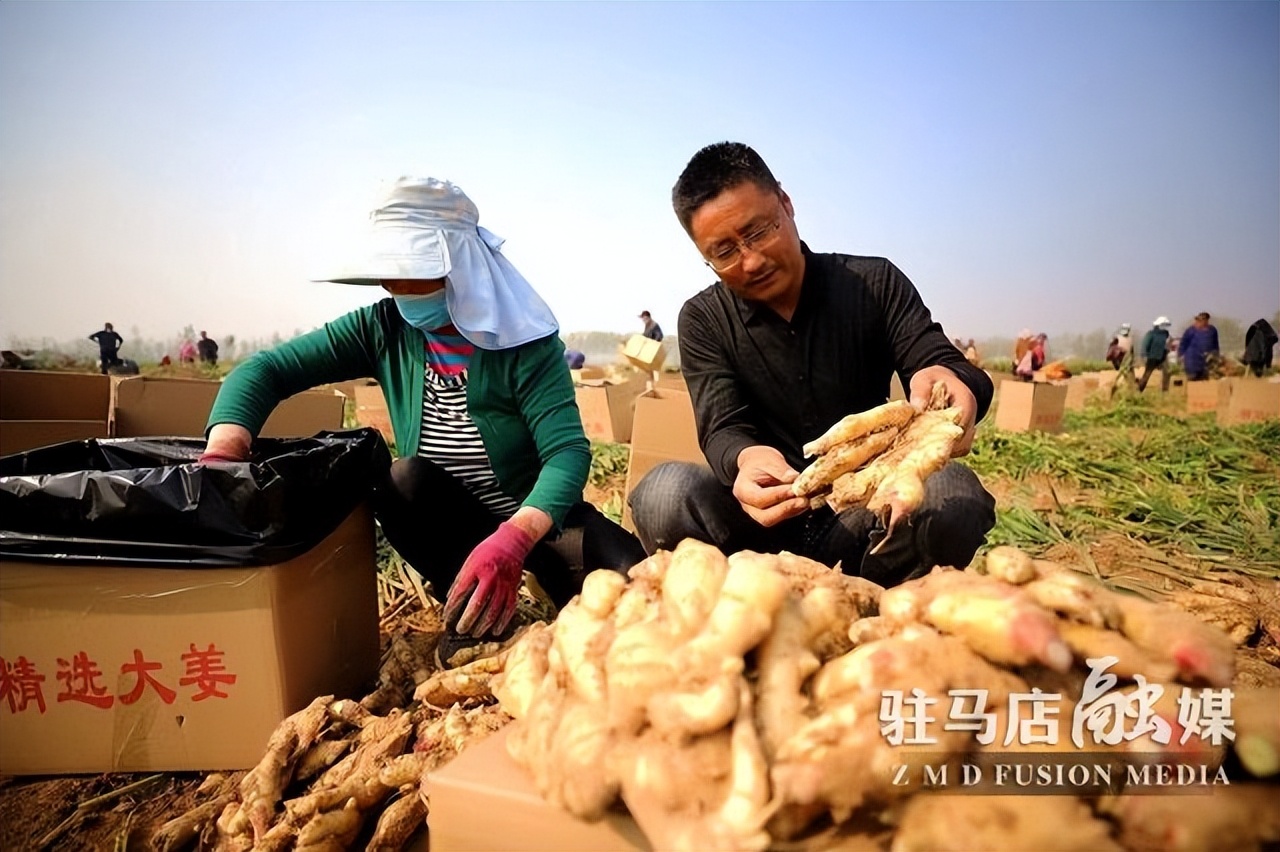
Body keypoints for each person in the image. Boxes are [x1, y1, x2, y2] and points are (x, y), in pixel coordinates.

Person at [200, 177, 647, 649]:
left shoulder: (524, 341)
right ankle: (474, 607)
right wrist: (224, 450)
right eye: (387, 271)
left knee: (634, 590)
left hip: (539, 520)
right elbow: (266, 370)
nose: (392, 284)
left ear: (457, 266)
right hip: (458, 526)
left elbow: (567, 454)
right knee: (402, 480)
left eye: (408, 270)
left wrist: (516, 538)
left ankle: (542, 576)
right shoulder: (383, 327)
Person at [629, 142, 996, 588]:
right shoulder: (703, 319)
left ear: (785, 203)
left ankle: (877, 609)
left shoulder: (873, 283)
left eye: (759, 231)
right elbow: (721, 425)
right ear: (704, 255)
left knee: (951, 494)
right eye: (724, 252)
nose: (752, 260)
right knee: (663, 494)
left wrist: (946, 378)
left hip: (863, 512)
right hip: (758, 528)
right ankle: (745, 610)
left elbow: (933, 355)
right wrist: (745, 459)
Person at [1178, 312, 1219, 381]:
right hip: (1192, 359)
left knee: (1205, 379)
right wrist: (1181, 355)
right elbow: (1183, 343)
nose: (1199, 322)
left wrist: (1216, 354)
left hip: (1207, 360)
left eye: (1202, 320)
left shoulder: (1212, 330)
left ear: (1207, 320)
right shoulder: (1190, 330)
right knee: (1192, 378)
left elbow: (1215, 343)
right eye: (1198, 320)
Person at [1135, 317, 1172, 393]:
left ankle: (1165, 390)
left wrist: (1168, 349)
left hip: (1162, 357)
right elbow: (1145, 345)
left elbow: (1168, 344)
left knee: (1167, 372)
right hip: (1152, 357)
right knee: (1147, 374)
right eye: (1164, 325)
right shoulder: (1151, 334)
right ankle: (1139, 389)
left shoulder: (1166, 335)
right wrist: (1144, 355)